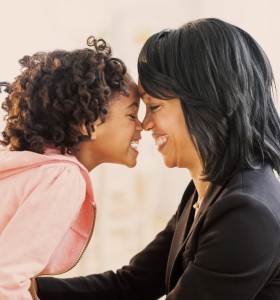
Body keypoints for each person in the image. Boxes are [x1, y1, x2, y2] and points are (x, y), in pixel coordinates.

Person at [36, 18, 280, 299]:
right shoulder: (208, 190)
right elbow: (132, 284)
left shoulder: (247, 212)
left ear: (208, 101)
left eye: (154, 106)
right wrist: (27, 290)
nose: (146, 124)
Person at [0, 36, 142, 299]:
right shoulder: (63, 178)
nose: (142, 126)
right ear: (88, 123)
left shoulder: (33, 168)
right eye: (132, 115)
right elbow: (6, 279)